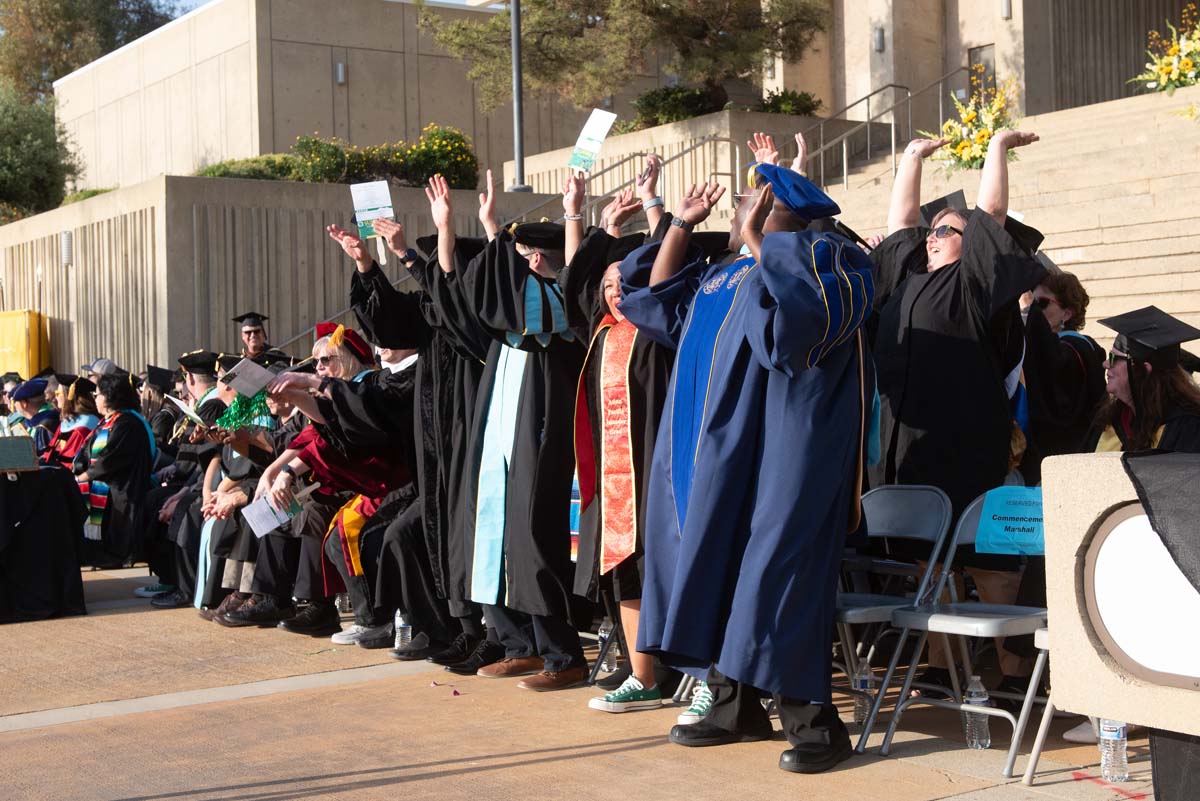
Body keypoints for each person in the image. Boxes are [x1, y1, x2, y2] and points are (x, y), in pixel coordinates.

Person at [618, 166, 875, 773]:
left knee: (778, 580)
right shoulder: (728, 273)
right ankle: (734, 705)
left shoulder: (834, 259)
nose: (737, 210)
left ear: (782, 213)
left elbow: (796, 334)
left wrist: (764, 241)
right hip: (732, 459)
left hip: (797, 453)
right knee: (725, 572)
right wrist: (680, 224)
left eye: (749, 202)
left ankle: (816, 725)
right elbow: (658, 308)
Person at [421, 172, 589, 691]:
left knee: (532, 534)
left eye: (519, 253)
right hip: (499, 420)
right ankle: (518, 645)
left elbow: (518, 294)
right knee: (489, 531)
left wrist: (558, 217)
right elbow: (457, 300)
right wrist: (450, 229)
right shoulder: (502, 337)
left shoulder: (557, 307)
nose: (511, 261)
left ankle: (563, 653)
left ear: (536, 259)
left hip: (540, 423)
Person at [330, 217, 491, 665]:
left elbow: (451, 305)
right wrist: (365, 266)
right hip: (437, 458)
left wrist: (404, 253)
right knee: (423, 538)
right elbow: (389, 321)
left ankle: (483, 631)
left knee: (452, 540)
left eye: (445, 259)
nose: (438, 271)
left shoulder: (478, 315)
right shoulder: (433, 314)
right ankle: (452, 628)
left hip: (471, 450)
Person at [558, 174, 669, 713]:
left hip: (657, 471)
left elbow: (669, 274)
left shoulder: (658, 330)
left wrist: (653, 208)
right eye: (606, 283)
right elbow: (574, 286)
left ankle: (671, 671)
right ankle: (642, 674)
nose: (613, 289)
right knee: (625, 571)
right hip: (612, 479)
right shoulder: (600, 333)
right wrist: (583, 218)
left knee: (659, 566)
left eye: (623, 280)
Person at [264, 323, 409, 647]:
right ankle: (366, 617)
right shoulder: (345, 389)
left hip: (393, 481)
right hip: (373, 483)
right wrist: (278, 472)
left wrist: (285, 471)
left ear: (346, 357)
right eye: (316, 363)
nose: (318, 368)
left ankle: (372, 619)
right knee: (329, 533)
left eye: (325, 360)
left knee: (342, 533)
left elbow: (325, 437)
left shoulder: (368, 385)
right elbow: (318, 433)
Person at [150, 350, 229, 609]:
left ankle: (186, 587)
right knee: (159, 502)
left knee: (187, 511)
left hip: (219, 482)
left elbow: (209, 458)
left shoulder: (213, 406)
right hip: (203, 480)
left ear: (190, 379)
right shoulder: (206, 405)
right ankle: (173, 580)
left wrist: (185, 493)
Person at [1019, 270, 1107, 481]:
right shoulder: (1069, 347)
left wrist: (1028, 312)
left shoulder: (1076, 349)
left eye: (1041, 303)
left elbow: (1052, 372)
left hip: (1067, 456)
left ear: (1067, 314)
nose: (1035, 311)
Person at [1087, 306, 1200, 452]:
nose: (1105, 364)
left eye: (1114, 358)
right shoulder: (1109, 422)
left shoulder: (1187, 428)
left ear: (1143, 369)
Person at [74, 373, 156, 568]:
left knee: (118, 530)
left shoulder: (128, 423)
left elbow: (111, 459)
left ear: (110, 396)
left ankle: (119, 555)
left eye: (98, 394)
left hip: (124, 487)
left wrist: (85, 476)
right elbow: (86, 452)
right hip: (106, 485)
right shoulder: (106, 422)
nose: (96, 399)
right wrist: (78, 469)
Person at [41, 376, 100, 469]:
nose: (55, 397)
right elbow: (51, 451)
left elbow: (70, 460)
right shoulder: (68, 421)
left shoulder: (85, 425)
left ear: (69, 395)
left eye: (58, 393)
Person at [8, 379, 60, 456]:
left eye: (15, 403)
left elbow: (37, 456)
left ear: (24, 404)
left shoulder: (45, 423)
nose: (15, 406)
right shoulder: (35, 420)